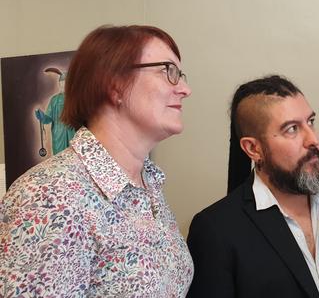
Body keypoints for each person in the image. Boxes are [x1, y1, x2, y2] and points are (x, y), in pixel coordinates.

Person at [0, 25, 193, 296]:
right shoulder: (50, 197)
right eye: (168, 71)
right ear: (115, 85)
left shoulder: (148, 184)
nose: (185, 89)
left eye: (180, 74)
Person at [187, 75, 319, 298]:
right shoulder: (216, 229)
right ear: (253, 149)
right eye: (292, 129)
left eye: (311, 122)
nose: (313, 139)